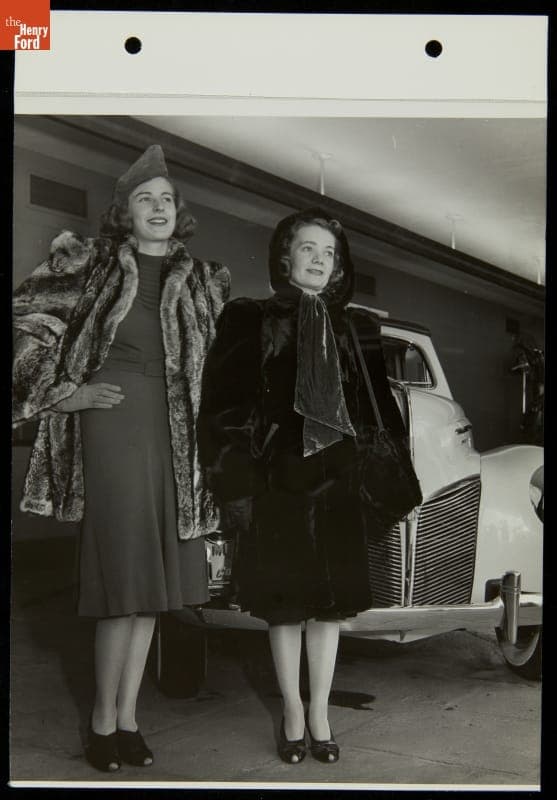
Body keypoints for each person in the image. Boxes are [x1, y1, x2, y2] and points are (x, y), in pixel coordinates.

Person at [12, 145, 230, 772]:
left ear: (178, 211)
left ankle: (129, 718)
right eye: (145, 199)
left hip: (176, 439)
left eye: (166, 198)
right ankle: (101, 722)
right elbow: (29, 319)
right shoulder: (90, 263)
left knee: (154, 590)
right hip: (114, 425)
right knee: (122, 582)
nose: (158, 207)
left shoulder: (202, 280)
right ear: (124, 212)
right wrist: (63, 393)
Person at [198, 207, 417, 764]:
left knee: (329, 607)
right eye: (308, 249)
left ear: (338, 265)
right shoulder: (249, 317)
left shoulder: (359, 326)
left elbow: (381, 414)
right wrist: (239, 487)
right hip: (280, 480)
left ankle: (320, 713)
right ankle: (292, 713)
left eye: (328, 253)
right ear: (285, 257)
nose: (319, 260)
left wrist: (392, 481)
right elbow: (224, 410)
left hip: (338, 478)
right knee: (286, 605)